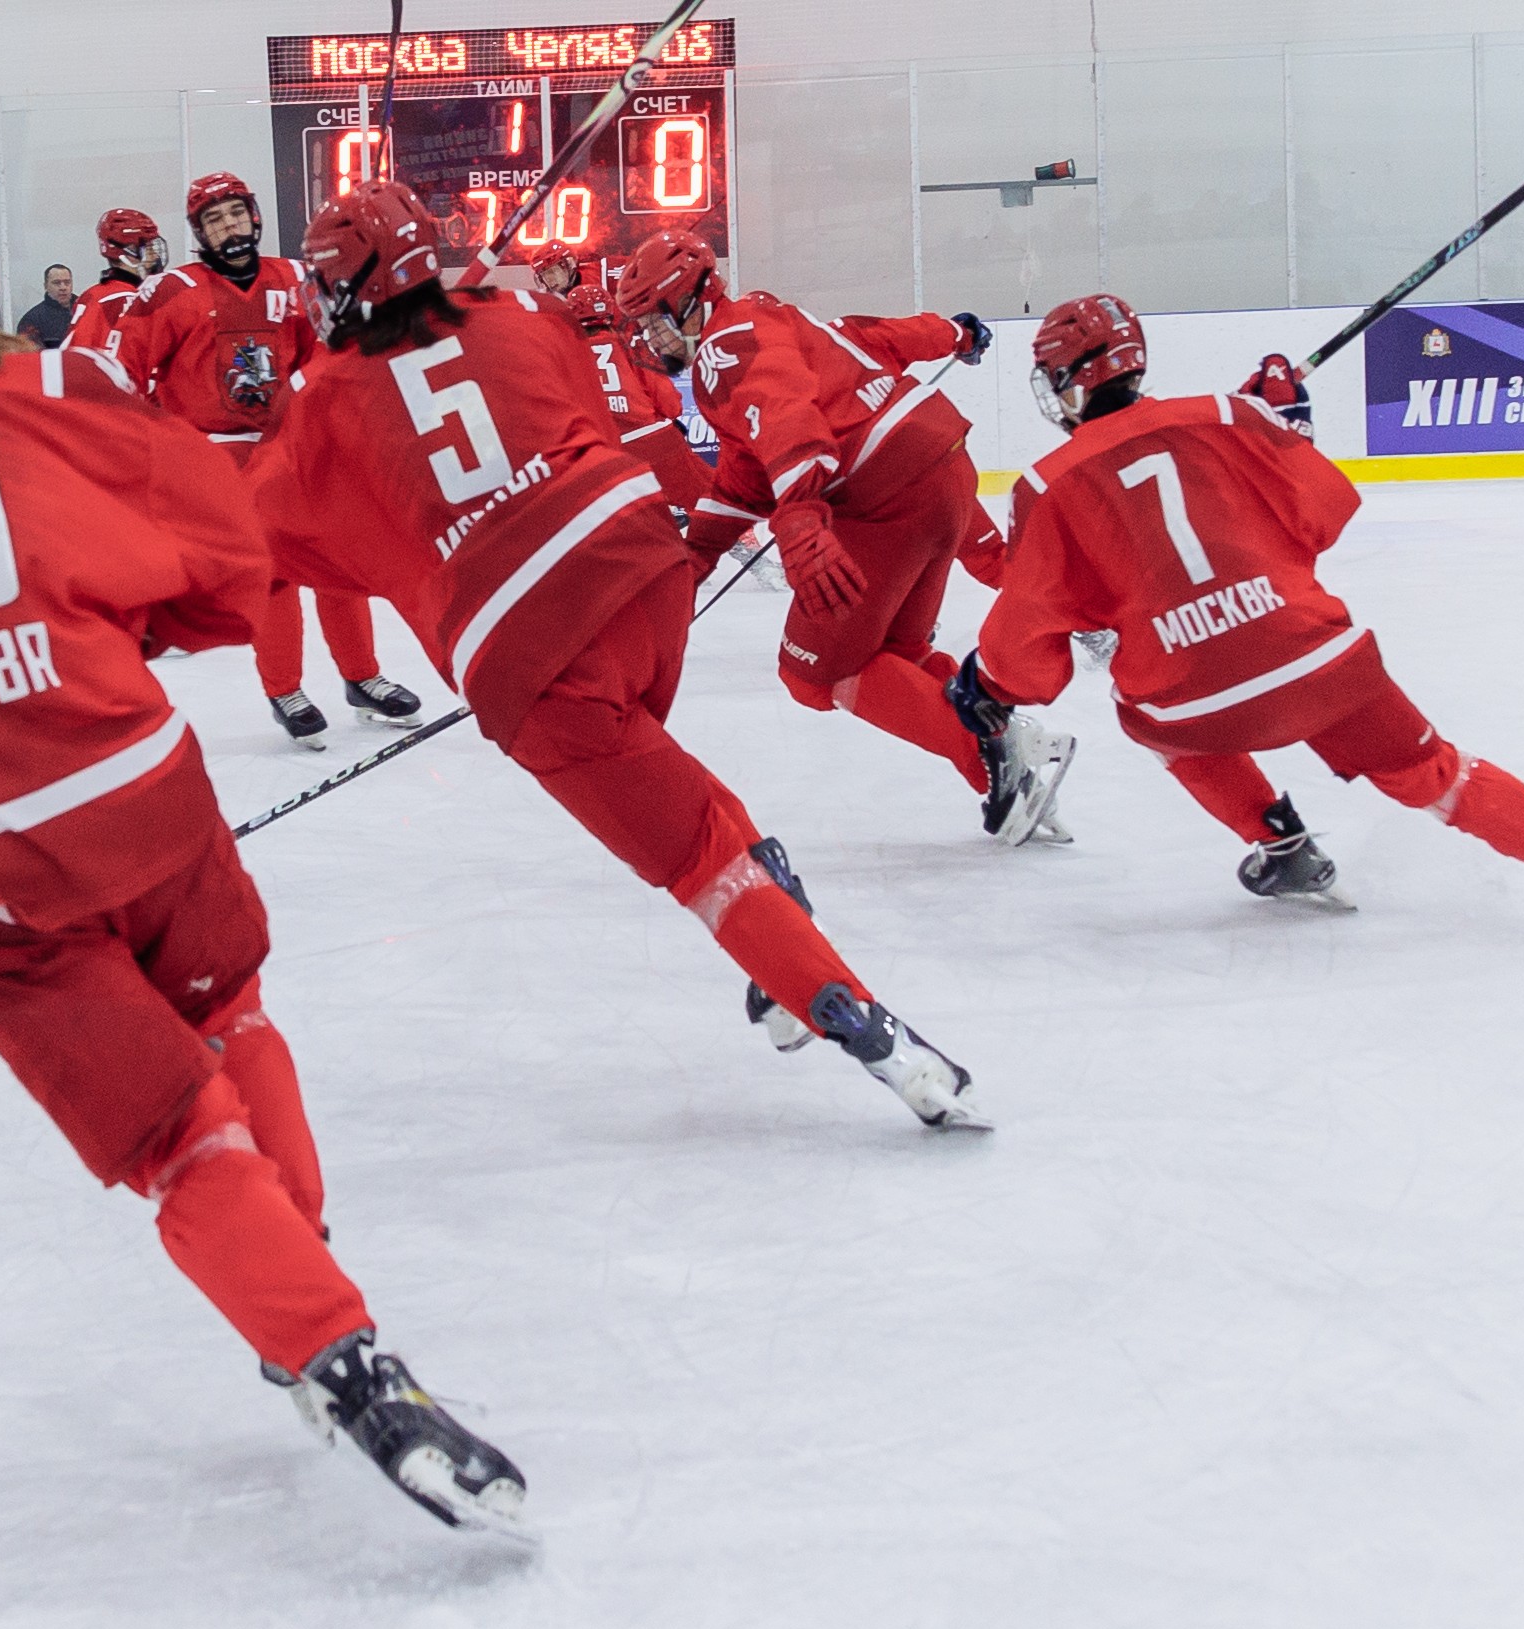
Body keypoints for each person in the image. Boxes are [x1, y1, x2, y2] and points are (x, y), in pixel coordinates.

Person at [0, 192, 526, 1533]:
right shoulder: (39, 376)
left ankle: (334, 1352)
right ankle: (299, 1269)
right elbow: (224, 555)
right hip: (126, 783)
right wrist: (124, 632)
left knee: (175, 1140)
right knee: (232, 1013)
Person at [251, 179, 986, 1126]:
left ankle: (856, 1020)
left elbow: (275, 542)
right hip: (641, 570)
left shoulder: (319, 403)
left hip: (530, 653)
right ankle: (778, 897)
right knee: (663, 764)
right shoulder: (516, 307)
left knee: (694, 857)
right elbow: (560, 384)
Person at [953, 291, 1524, 919]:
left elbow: (1036, 634)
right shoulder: (1227, 415)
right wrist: (1281, 424)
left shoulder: (1044, 483)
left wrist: (988, 683)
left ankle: (1281, 844)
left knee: (1154, 719)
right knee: (1432, 772)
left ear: (1073, 378)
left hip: (1191, 698)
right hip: (1319, 660)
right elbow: (1323, 509)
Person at [615, 233, 1072, 848]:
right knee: (893, 653)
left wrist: (800, 515)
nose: (649, 339)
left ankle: (994, 754)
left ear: (690, 300)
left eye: (653, 320)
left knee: (813, 676)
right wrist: (954, 335)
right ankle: (1001, 736)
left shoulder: (723, 349)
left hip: (884, 497)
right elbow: (875, 340)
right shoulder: (772, 315)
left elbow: (785, 419)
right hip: (942, 473)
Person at [119, 172, 423, 748]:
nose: (228, 226)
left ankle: (362, 677)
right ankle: (284, 687)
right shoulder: (173, 291)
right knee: (275, 571)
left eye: (235, 213)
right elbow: (118, 367)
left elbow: (324, 359)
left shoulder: (293, 278)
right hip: (216, 455)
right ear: (199, 234)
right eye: (214, 220)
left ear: (254, 216)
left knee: (338, 561)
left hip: (291, 444)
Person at [564, 281, 711, 514]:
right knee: (712, 498)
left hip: (606, 455)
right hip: (653, 439)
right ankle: (745, 541)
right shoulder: (629, 343)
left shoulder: (564, 355)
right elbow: (668, 400)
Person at [65, 208, 165, 354]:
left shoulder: (92, 294)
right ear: (128, 251)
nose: (154, 256)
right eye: (148, 248)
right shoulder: (127, 300)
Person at [15, 264, 77, 348]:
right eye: (57, 283)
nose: (63, 287)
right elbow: (27, 353)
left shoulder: (86, 309)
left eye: (67, 282)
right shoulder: (32, 320)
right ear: (46, 286)